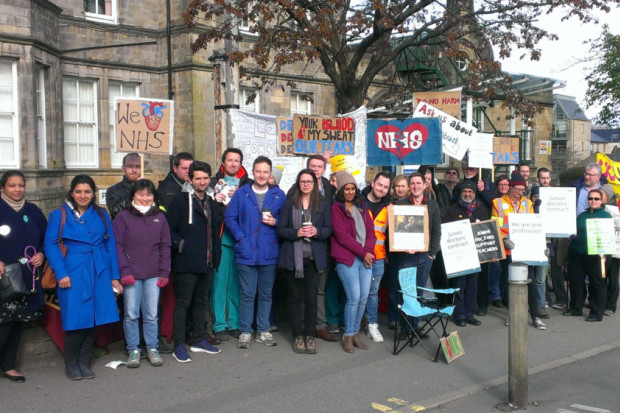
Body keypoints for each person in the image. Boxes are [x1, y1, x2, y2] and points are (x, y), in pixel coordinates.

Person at [44, 174, 123, 380]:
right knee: (75, 318)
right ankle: (71, 363)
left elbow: (110, 245)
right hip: (73, 269)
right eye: (78, 191)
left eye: (87, 191)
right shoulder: (59, 214)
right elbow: (50, 245)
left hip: (99, 268)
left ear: (93, 193)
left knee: (94, 317)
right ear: (72, 192)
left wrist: (114, 276)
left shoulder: (102, 214)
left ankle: (84, 360)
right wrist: (61, 273)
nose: (83, 195)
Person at [224, 156, 285, 350]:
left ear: (270, 174)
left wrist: (276, 222)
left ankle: (263, 330)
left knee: (266, 294)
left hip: (269, 251)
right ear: (252, 172)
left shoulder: (279, 195)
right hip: (246, 251)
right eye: (258, 171)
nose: (261, 175)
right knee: (247, 294)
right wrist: (240, 238)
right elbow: (229, 217)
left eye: (265, 172)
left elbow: (286, 220)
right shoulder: (242, 193)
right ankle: (245, 331)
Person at [167, 161, 222, 363]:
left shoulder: (211, 201)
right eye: (197, 178)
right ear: (190, 179)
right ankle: (179, 345)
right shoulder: (180, 201)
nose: (202, 181)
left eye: (205, 178)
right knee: (183, 304)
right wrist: (181, 245)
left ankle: (199, 339)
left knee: (200, 303)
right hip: (186, 262)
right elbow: (169, 229)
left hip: (206, 261)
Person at [113, 179, 171, 368]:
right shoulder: (122, 217)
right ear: (133, 196)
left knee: (151, 314)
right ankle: (133, 350)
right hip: (132, 274)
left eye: (148, 194)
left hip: (154, 273)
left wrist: (164, 271)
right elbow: (117, 246)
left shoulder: (160, 217)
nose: (145, 198)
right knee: (131, 314)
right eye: (141, 194)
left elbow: (165, 246)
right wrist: (124, 271)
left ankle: (152, 348)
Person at [277, 169, 332, 354]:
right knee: (294, 299)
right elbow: (281, 230)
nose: (306, 184)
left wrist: (316, 232)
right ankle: (297, 336)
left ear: (314, 184)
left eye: (309, 181)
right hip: (293, 258)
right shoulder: (289, 203)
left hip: (313, 258)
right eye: (303, 181)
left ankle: (309, 335)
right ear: (298, 183)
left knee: (311, 299)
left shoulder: (323, 204)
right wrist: (296, 233)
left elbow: (328, 230)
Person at [0, 171, 47, 383]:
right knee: (4, 323)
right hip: (3, 277)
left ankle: (9, 366)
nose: (17, 189)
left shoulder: (33, 211)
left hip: (25, 277)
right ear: (3, 187)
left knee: (16, 322)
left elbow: (47, 238)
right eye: (12, 185)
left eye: (21, 185)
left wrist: (41, 254)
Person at [492, 173, 546, 330]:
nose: (520, 192)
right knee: (509, 283)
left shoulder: (527, 203)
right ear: (510, 187)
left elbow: (532, 226)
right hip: (507, 250)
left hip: (524, 250)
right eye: (518, 189)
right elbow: (495, 225)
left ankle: (535, 316)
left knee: (530, 281)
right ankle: (513, 313)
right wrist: (503, 240)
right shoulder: (498, 203)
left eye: (523, 189)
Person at [330, 172, 376, 353]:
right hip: (347, 258)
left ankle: (355, 333)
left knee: (363, 298)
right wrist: (364, 253)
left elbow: (371, 232)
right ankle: (348, 334)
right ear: (341, 190)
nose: (350, 192)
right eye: (346, 189)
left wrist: (369, 253)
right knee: (354, 298)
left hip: (365, 257)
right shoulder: (336, 209)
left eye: (352, 188)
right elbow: (343, 237)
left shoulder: (362, 206)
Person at [210, 148, 250, 341]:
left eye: (237, 160)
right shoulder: (212, 182)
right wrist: (214, 200)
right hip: (221, 238)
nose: (233, 163)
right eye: (230, 160)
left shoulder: (248, 184)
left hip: (241, 240)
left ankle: (234, 323)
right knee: (219, 284)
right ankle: (219, 324)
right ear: (223, 162)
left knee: (236, 284)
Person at [396, 172, 441, 338]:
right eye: (412, 183)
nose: (415, 186)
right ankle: (405, 328)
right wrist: (402, 246)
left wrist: (432, 254)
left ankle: (415, 326)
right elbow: (397, 231)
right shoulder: (400, 205)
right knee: (406, 293)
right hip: (406, 256)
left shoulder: (432, 205)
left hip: (425, 257)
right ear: (409, 186)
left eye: (418, 183)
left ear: (424, 185)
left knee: (419, 293)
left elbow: (436, 231)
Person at [443, 180, 488, 327]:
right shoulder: (452, 210)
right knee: (459, 285)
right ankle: (459, 314)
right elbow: (447, 232)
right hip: (459, 255)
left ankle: (470, 314)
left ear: (475, 194)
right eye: (464, 192)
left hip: (476, 256)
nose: (467, 194)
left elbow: (488, 231)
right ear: (460, 193)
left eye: (470, 192)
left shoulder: (482, 210)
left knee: (472, 286)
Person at [565, 189, 611, 322]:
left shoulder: (605, 216)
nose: (593, 201)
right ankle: (576, 308)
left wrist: (605, 254)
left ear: (601, 201)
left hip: (597, 255)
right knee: (576, 282)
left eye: (596, 199)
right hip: (578, 253)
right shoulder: (582, 215)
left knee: (597, 283)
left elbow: (608, 237)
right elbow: (575, 231)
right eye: (591, 198)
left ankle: (596, 312)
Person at [306, 155, 338, 342]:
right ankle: (306, 324)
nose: (316, 169)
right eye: (313, 166)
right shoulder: (297, 188)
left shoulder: (329, 188)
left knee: (320, 287)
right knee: (304, 288)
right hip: (302, 244)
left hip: (324, 243)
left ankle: (320, 324)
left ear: (324, 169)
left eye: (320, 166)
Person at [361, 172, 391, 343]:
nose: (382, 189)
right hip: (359, 255)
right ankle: (355, 324)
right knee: (356, 293)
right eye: (380, 185)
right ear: (373, 184)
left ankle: (372, 324)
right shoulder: (358, 202)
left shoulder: (390, 206)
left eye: (386, 187)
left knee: (373, 293)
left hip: (378, 257)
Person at [386, 174, 412, 328]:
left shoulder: (414, 204)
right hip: (394, 251)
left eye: (403, 186)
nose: (400, 189)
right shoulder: (389, 204)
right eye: (398, 186)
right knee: (394, 286)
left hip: (410, 251)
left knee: (408, 287)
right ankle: (393, 317)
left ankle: (408, 317)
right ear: (394, 188)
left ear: (408, 187)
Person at [487, 174, 510, 312]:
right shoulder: (495, 201)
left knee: (506, 272)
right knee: (495, 271)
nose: (503, 187)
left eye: (506, 184)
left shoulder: (516, 201)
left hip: (509, 243)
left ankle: (504, 295)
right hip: (497, 239)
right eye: (501, 184)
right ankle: (496, 296)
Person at [599, 184, 619, 316]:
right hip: (603, 249)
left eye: (602, 194)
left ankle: (611, 305)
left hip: (615, 250)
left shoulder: (615, 211)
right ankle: (602, 302)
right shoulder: (601, 208)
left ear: (607, 196)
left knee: (612, 278)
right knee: (602, 276)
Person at [106, 153, 142, 220]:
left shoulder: (148, 189)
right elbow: (115, 212)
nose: (134, 170)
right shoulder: (113, 190)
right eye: (130, 166)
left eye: (138, 166)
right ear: (123, 168)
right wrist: (135, 190)